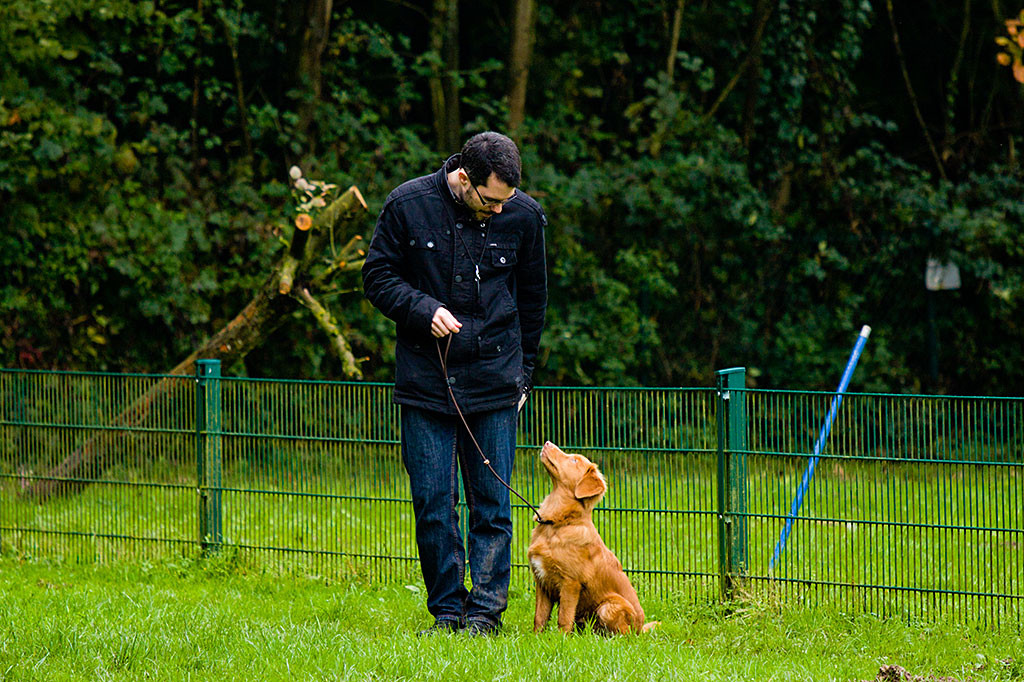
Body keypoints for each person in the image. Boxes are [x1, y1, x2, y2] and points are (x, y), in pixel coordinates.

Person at [361, 132, 548, 636]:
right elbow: (376, 277)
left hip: (495, 378)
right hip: (426, 380)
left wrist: (524, 376)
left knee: (491, 504)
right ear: (463, 179)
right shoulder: (407, 205)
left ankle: (485, 614)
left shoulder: (524, 217)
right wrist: (424, 310)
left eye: (506, 201)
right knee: (433, 504)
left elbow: (533, 302)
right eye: (491, 200)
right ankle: (447, 611)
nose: (499, 210)